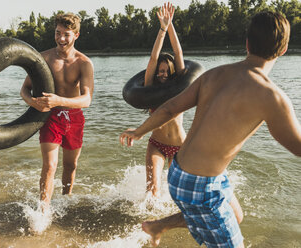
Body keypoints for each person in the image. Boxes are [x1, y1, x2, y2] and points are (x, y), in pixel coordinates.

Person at [120, 11, 301, 247]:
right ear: (284, 49)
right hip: (200, 184)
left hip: (182, 172)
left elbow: (170, 108)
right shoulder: (273, 97)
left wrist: (139, 131)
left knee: (236, 216)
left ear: (246, 43)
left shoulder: (215, 74)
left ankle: (158, 225)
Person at [20, 13, 94, 210]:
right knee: (50, 166)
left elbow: (87, 99)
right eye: (58, 33)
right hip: (50, 117)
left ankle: (65, 203)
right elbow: (24, 89)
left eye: (67, 34)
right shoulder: (43, 58)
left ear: (76, 35)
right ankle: (43, 211)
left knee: (70, 166)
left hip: (75, 118)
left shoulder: (84, 63)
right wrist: (32, 102)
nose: (61, 39)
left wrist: (59, 100)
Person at [144, 2, 186, 198]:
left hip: (180, 146)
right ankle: (149, 224)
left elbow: (178, 53)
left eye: (166, 71)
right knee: (153, 189)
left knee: (178, 192)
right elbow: (153, 58)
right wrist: (161, 29)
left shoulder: (179, 87)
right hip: (157, 144)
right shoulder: (150, 89)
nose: (162, 74)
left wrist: (170, 25)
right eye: (160, 71)